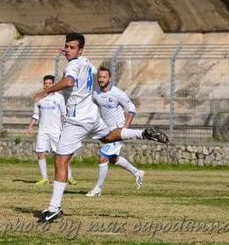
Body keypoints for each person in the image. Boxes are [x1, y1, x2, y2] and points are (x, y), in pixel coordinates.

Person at [34, 33, 169, 223]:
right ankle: (142, 133)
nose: (67, 50)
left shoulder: (72, 64)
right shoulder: (88, 63)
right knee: (107, 137)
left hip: (77, 120)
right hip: (92, 116)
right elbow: (82, 76)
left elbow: (69, 82)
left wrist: (45, 90)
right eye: (66, 46)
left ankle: (54, 208)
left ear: (80, 49)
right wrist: (71, 57)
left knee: (60, 162)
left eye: (72, 47)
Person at [86, 66, 145, 197]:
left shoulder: (117, 93)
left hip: (118, 130)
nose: (101, 79)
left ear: (110, 79)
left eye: (104, 77)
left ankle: (98, 189)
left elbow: (132, 108)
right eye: (99, 77)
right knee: (113, 159)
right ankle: (137, 172)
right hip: (107, 132)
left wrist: (125, 128)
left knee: (102, 157)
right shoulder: (95, 93)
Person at [26, 75, 77, 186]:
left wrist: (66, 128)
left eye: (50, 83)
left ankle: (69, 177)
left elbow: (64, 114)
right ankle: (44, 178)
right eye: (46, 83)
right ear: (43, 84)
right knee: (40, 153)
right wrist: (30, 126)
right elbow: (36, 115)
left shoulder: (59, 98)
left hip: (56, 131)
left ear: (53, 84)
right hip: (43, 130)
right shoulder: (39, 99)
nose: (47, 85)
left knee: (61, 155)